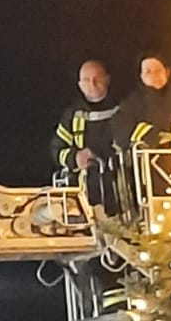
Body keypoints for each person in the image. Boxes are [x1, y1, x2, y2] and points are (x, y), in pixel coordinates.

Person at [51, 58, 120, 212]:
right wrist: (75, 157)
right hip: (83, 197)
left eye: (97, 78)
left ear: (107, 79)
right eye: (87, 80)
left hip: (120, 192)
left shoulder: (123, 110)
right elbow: (57, 149)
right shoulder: (72, 115)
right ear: (80, 85)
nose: (92, 84)